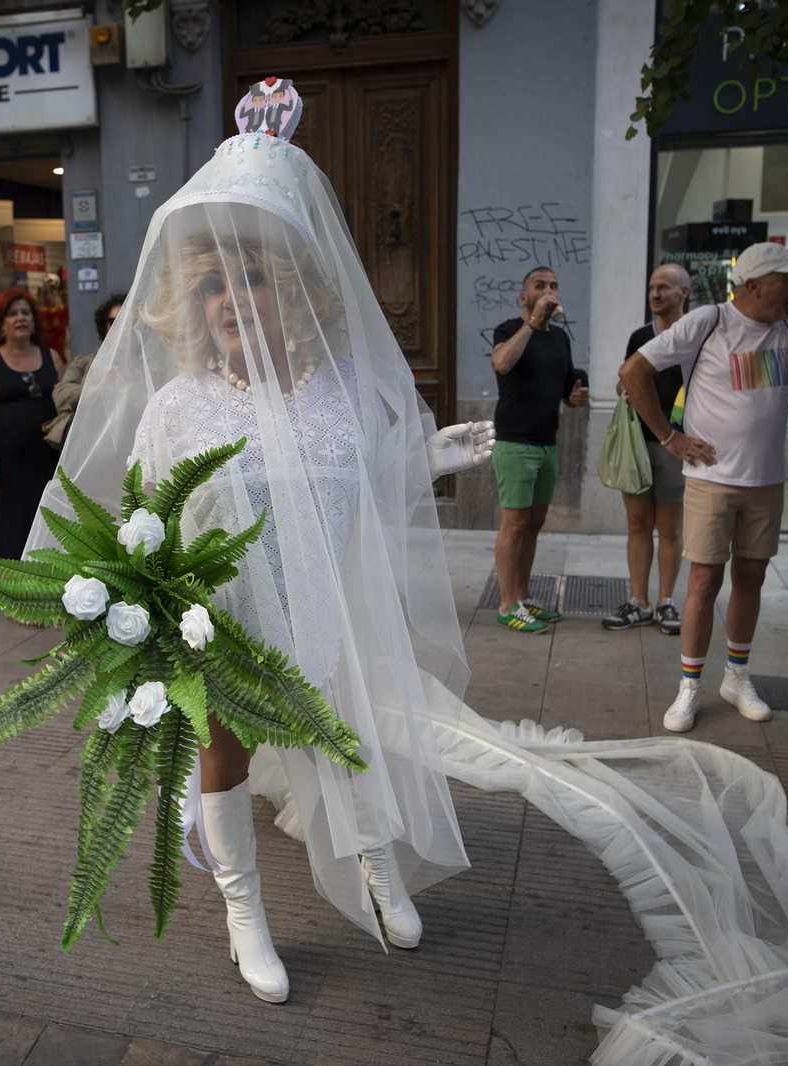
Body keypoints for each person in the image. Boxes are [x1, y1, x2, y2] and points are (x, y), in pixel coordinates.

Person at [34, 115, 491, 1003]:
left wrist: (426, 458)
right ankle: (245, 913)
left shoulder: (347, 388)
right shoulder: (179, 406)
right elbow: (140, 522)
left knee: (344, 743)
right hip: (225, 622)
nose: (235, 301)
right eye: (213, 286)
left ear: (297, 291)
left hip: (330, 612)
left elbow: (365, 477)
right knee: (226, 759)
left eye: (255, 279)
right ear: (190, 303)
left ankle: (375, 868)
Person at [619, 242, 788, 733]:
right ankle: (689, 686)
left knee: (751, 578)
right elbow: (633, 372)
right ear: (753, 285)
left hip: (766, 481)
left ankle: (737, 675)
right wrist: (671, 438)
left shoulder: (783, 331)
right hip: (712, 480)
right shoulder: (708, 321)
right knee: (705, 583)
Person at [488, 266, 590, 633]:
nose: (549, 291)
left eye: (554, 286)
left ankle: (523, 596)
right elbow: (501, 362)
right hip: (516, 444)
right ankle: (505, 605)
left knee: (533, 526)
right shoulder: (508, 331)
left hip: (548, 444)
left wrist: (577, 397)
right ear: (524, 297)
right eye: (540, 286)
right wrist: (530, 324)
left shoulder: (560, 339)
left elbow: (568, 392)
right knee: (513, 526)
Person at [605, 264, 689, 634]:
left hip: (677, 445)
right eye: (652, 287)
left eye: (664, 287)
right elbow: (626, 381)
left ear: (683, 292)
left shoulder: (694, 335)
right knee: (638, 524)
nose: (655, 293)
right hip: (638, 443)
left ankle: (665, 602)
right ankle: (638, 602)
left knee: (670, 528)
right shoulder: (641, 335)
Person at [0, 289, 61, 563]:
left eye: (25, 313)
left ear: (34, 321)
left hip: (48, 464)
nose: (20, 318)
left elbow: (70, 402)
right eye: (12, 314)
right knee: (12, 535)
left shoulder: (52, 356)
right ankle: (14, 602)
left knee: (48, 532)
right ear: (1, 323)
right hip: (7, 469)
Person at [44, 292, 125, 450]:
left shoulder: (149, 364)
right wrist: (98, 389)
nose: (121, 328)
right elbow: (60, 395)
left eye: (127, 321)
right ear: (105, 327)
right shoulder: (85, 361)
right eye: (114, 322)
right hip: (92, 447)